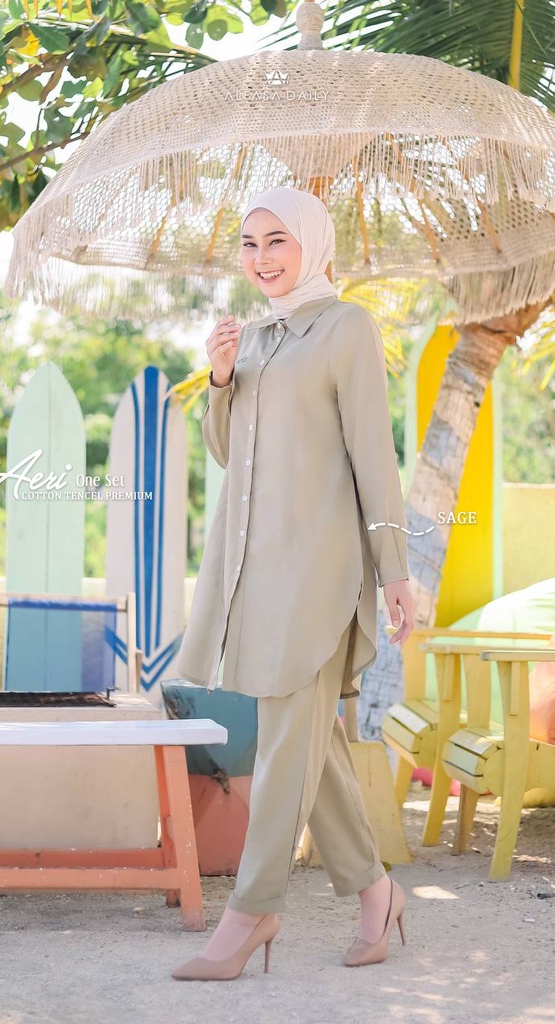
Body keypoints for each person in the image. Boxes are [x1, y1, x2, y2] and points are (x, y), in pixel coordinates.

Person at [172, 186, 416, 982]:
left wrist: (395, 573)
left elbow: (374, 458)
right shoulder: (254, 339)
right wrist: (220, 379)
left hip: (322, 571)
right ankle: (378, 894)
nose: (261, 258)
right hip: (259, 570)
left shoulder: (346, 328)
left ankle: (251, 911)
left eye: (277, 240)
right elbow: (228, 453)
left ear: (312, 243)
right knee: (312, 742)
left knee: (284, 742)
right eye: (249, 244)